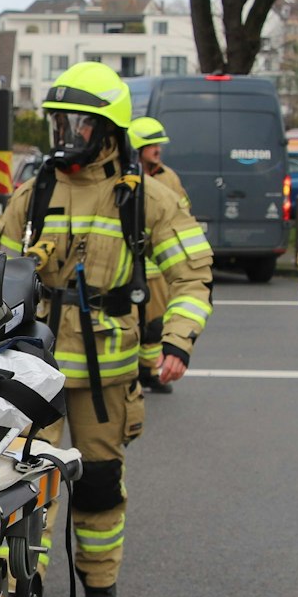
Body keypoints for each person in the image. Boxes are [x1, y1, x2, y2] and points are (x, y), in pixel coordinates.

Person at [0, 63, 212, 597]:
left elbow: (192, 275)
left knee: (100, 482)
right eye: (58, 123)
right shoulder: (33, 194)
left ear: (108, 131)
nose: (64, 136)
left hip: (107, 374)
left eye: (78, 125)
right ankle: (18, 595)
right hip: (34, 370)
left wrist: (180, 343)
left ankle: (100, 583)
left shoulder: (147, 199)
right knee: (22, 482)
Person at [127, 116, 193, 395]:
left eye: (158, 145)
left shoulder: (168, 177)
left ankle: (149, 372)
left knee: (155, 326)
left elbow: (182, 213)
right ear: (138, 148)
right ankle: (130, 374)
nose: (158, 150)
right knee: (130, 324)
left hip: (159, 266)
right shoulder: (125, 177)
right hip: (131, 265)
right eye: (152, 145)